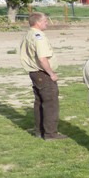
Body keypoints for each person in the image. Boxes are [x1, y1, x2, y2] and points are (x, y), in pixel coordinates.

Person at [18, 12, 67, 140]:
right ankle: (50, 134)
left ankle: (40, 131)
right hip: (43, 73)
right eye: (45, 21)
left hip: (34, 73)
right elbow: (42, 58)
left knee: (39, 102)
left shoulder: (29, 34)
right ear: (38, 22)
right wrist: (51, 73)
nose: (47, 23)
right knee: (51, 103)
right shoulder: (38, 36)